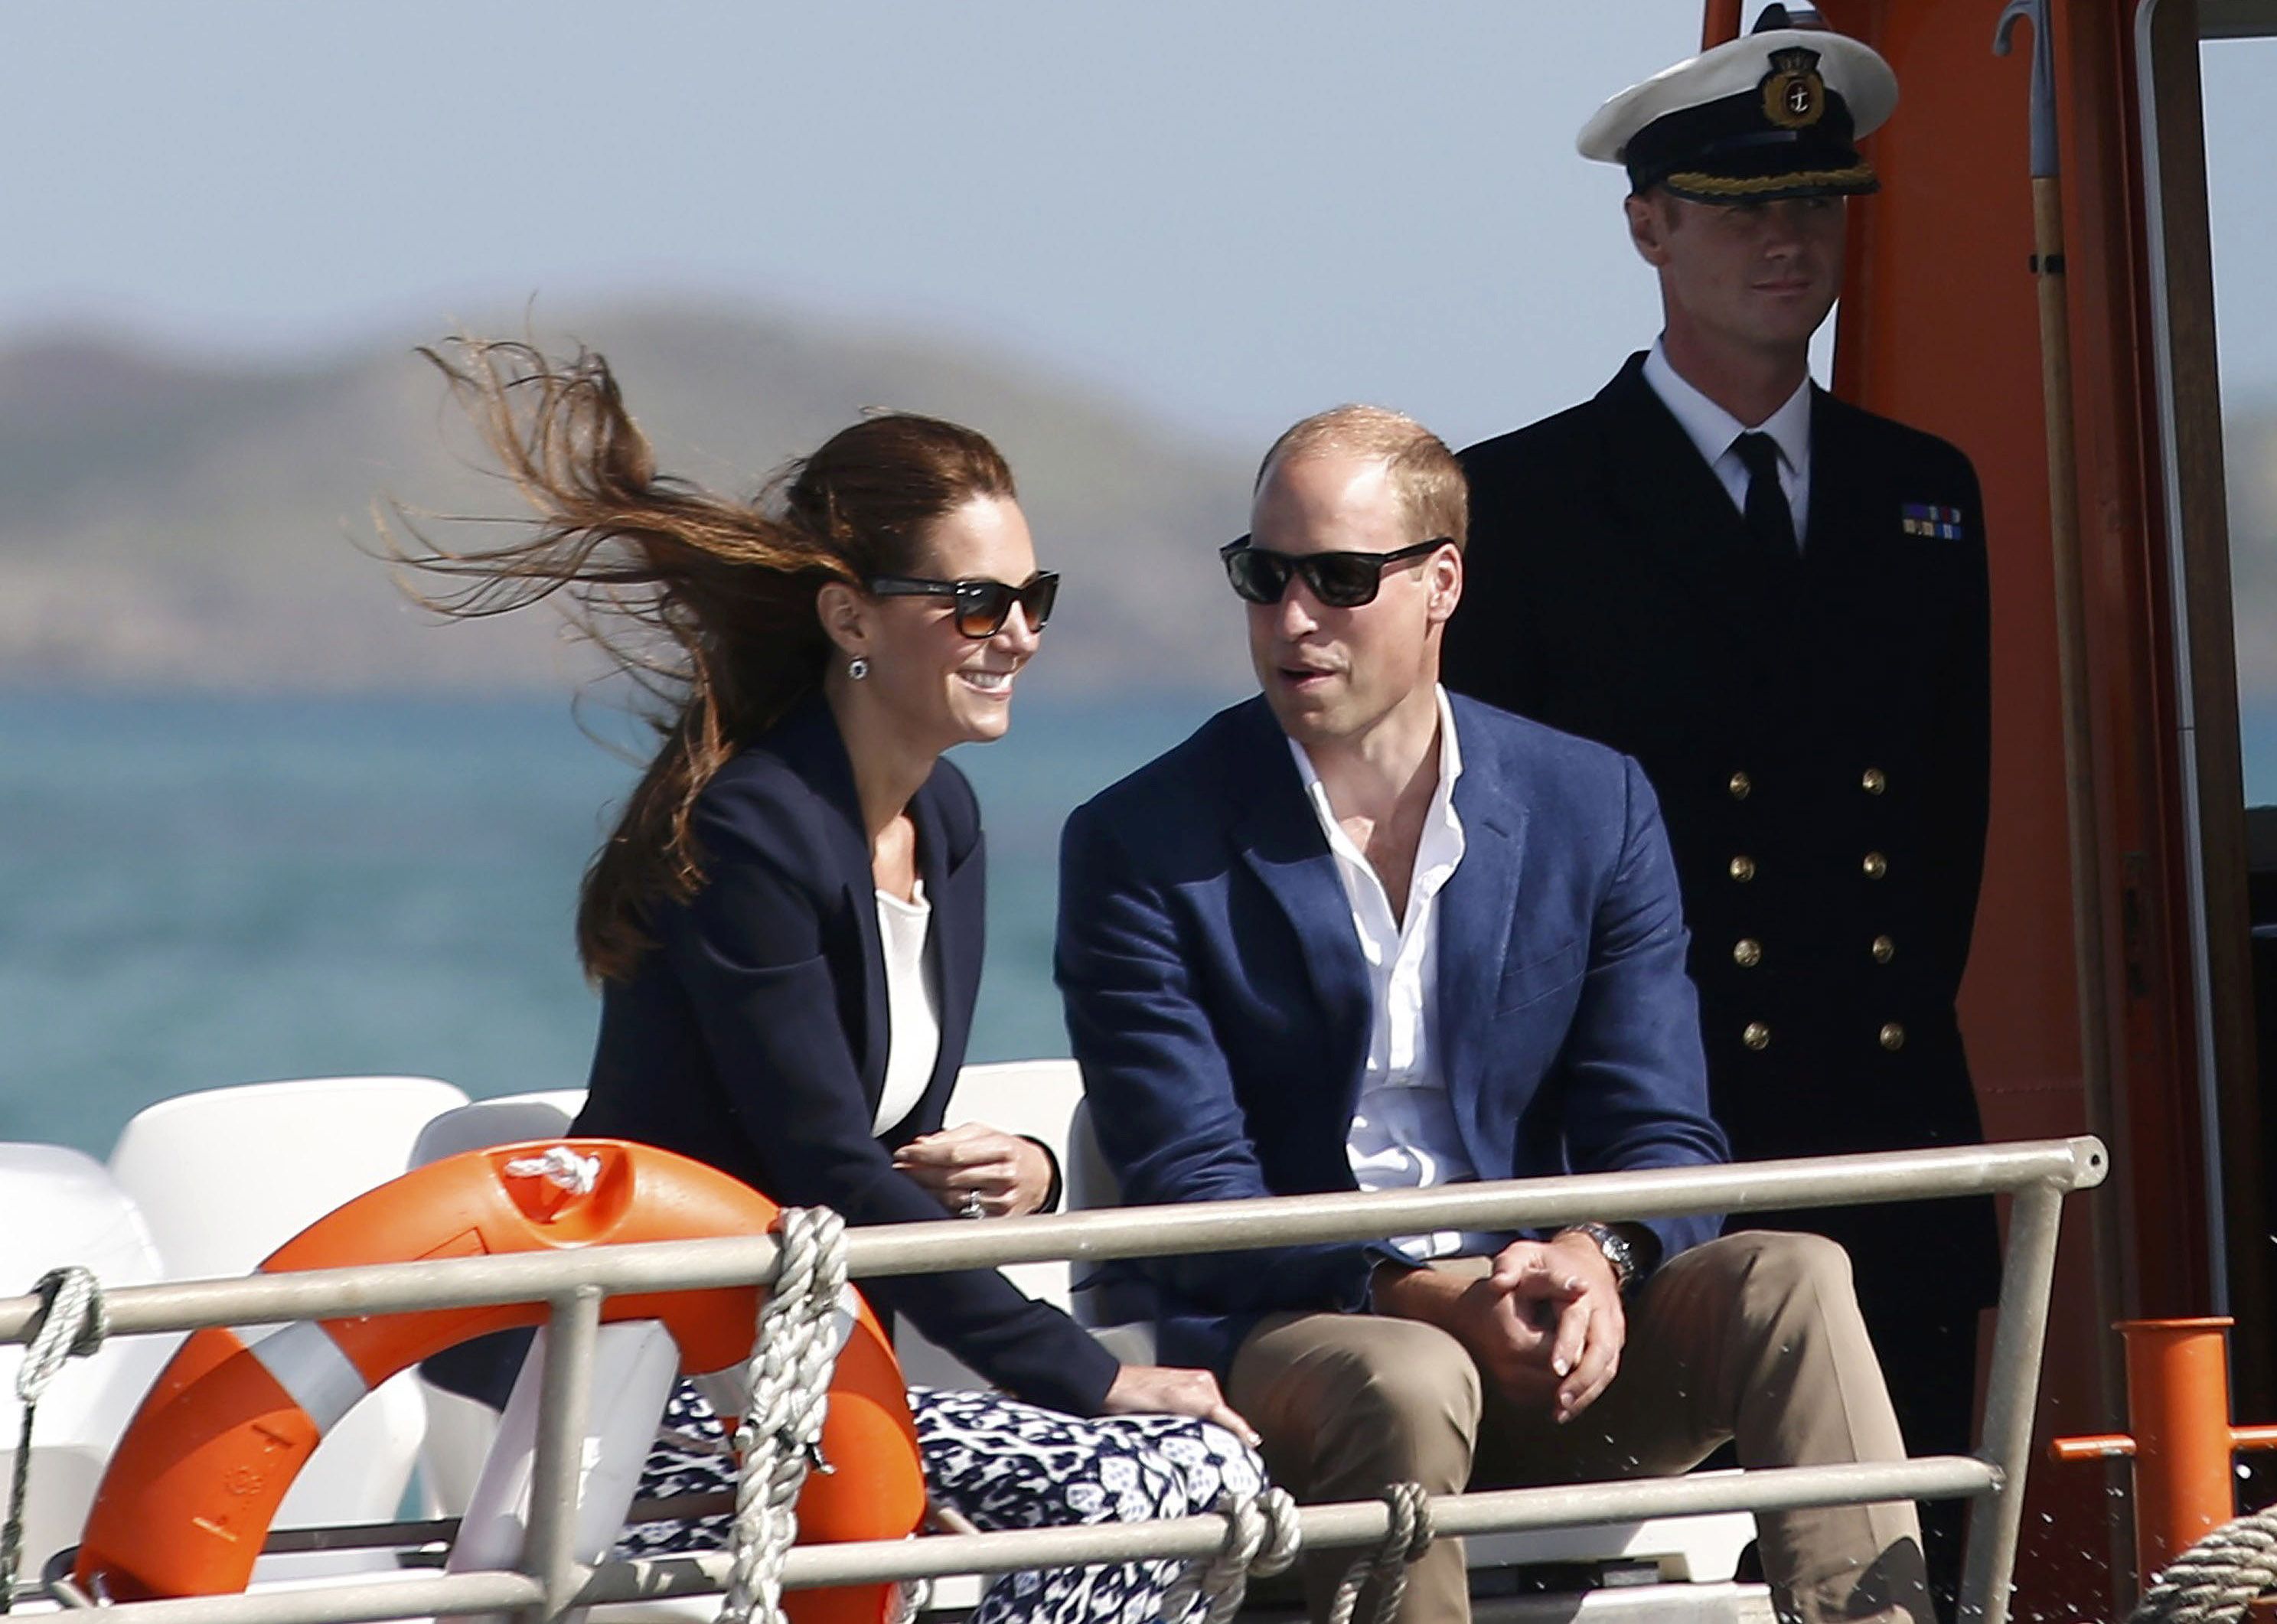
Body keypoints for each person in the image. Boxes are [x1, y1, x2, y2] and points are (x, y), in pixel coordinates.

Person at [393, 339, 1264, 1624]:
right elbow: (822, 1164)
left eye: (1035, 595)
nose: (1016, 632)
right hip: (650, 1374)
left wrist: (1026, 1166)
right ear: (851, 617)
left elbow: (883, 1139)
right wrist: (1091, 1375)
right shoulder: (752, 831)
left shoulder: (946, 821)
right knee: (1167, 1470)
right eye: (975, 601)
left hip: (806, 1358)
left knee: (1201, 1473)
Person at [1056, 405, 1935, 1624]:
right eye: (1264, 575)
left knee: (1794, 1276)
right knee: (1409, 1375)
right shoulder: (1138, 842)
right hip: (1306, 1346)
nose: (1293, 617)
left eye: (1342, 578)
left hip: (1554, 1341)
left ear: (1442, 584)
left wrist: (1598, 1258)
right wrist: (1424, 1291)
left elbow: (1665, 1133)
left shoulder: (1594, 801)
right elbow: (1199, 1194)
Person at [1440, 9, 1995, 1606]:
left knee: (1915, 1560)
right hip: (1678, 1144)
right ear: (1647, 225)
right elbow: (1505, 881)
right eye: (1743, 204)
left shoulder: (1924, 491)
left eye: (1814, 202)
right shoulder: (1526, 507)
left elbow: (1946, 823)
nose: (1786, 240)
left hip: (1887, 1115)